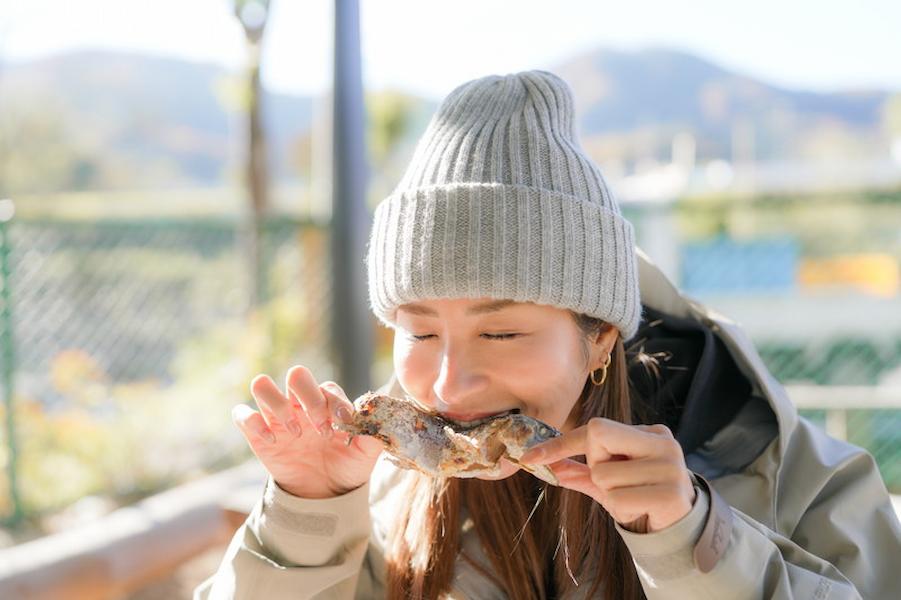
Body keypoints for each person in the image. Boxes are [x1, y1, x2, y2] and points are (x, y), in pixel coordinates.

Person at [194, 70, 901, 599]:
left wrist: (694, 542)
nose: (447, 385)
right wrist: (306, 519)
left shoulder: (792, 476)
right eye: (417, 332)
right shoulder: (375, 490)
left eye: (499, 333)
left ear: (598, 339)